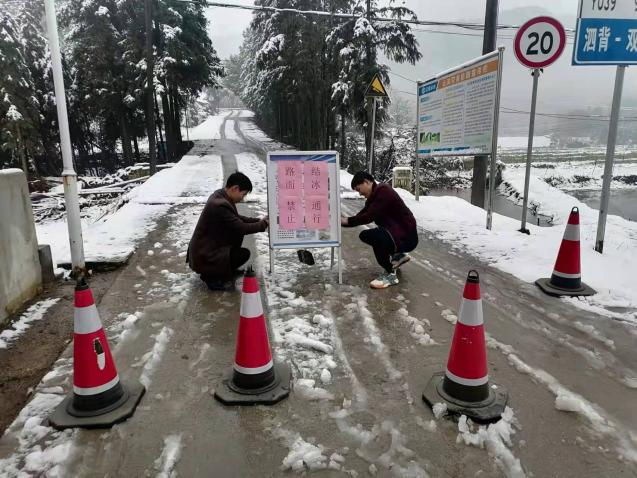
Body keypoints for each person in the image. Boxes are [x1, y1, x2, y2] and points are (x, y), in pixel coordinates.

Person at [187, 172, 268, 290]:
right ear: (235, 188)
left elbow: (237, 218)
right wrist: (263, 224)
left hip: (205, 251)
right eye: (243, 194)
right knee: (242, 255)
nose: (243, 198)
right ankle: (211, 277)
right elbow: (241, 227)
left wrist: (259, 221)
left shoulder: (221, 196)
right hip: (205, 255)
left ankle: (223, 271)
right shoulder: (219, 204)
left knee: (240, 253)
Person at [341, 171, 418, 289]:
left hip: (406, 237)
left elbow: (368, 217)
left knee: (372, 236)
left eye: (359, 189)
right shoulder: (374, 197)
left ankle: (390, 273)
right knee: (372, 235)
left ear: (366, 182)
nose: (360, 193)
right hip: (399, 236)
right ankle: (398, 255)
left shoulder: (383, 191)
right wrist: (342, 221)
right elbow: (361, 216)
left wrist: (346, 221)